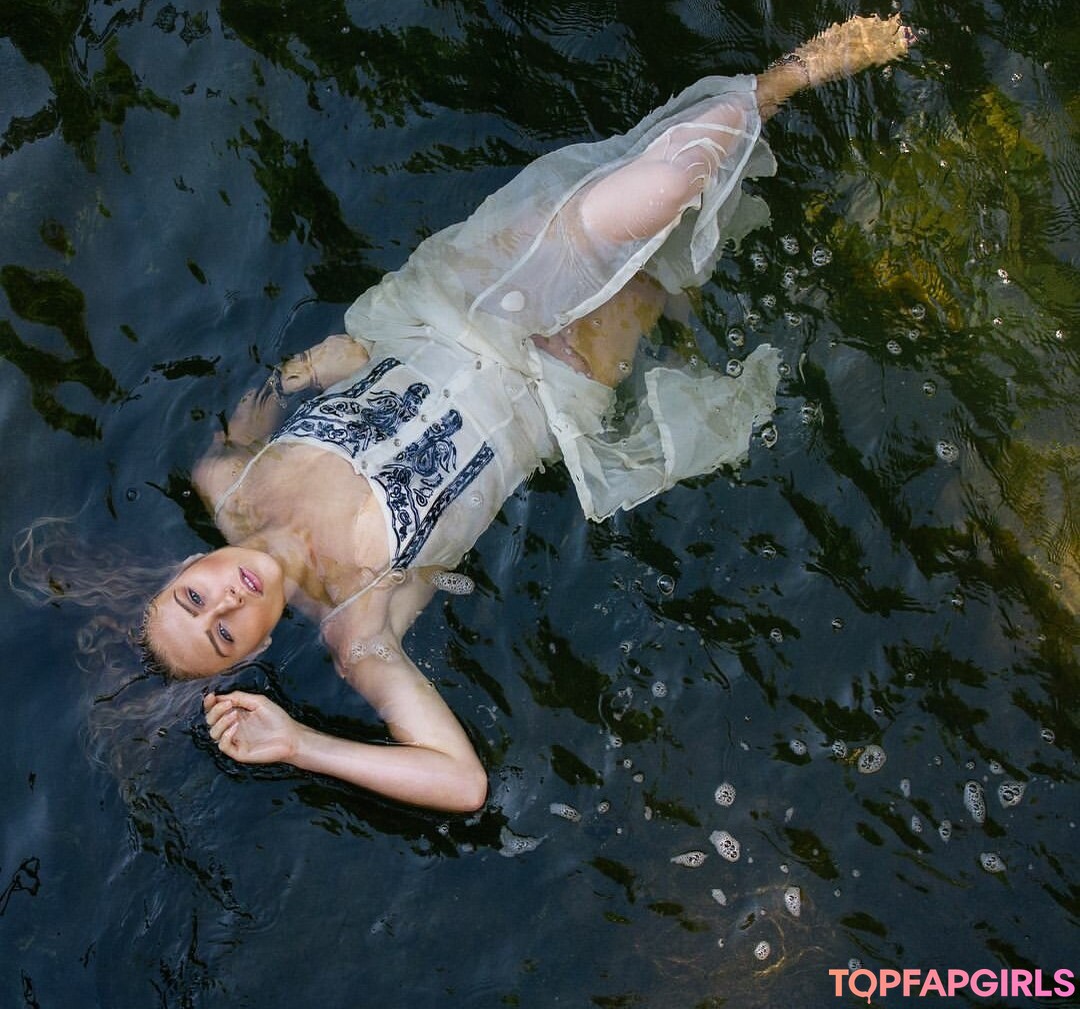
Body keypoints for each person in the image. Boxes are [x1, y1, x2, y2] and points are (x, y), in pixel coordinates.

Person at [141, 15, 913, 813]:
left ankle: (785, 80)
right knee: (665, 265)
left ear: (185, 568)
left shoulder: (224, 478)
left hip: (451, 306)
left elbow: (257, 405)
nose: (225, 602)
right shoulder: (356, 629)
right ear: (259, 646)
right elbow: (461, 780)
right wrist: (298, 742)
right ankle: (811, 203)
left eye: (194, 598)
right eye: (225, 633)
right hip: (551, 387)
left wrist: (309, 365)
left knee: (666, 184)